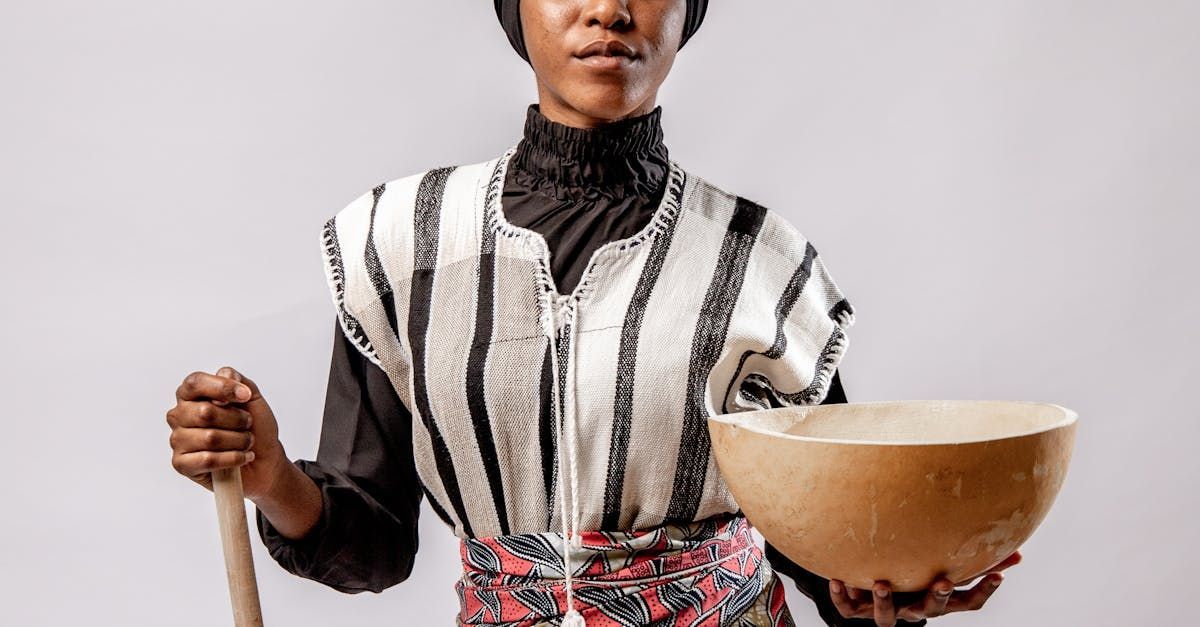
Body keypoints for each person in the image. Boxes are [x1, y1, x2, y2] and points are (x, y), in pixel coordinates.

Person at [164, 1, 1020, 625]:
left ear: (687, 14)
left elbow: (823, 549)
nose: (610, 10)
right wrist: (271, 472)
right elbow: (377, 545)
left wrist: (885, 589)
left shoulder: (757, 264)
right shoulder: (405, 246)